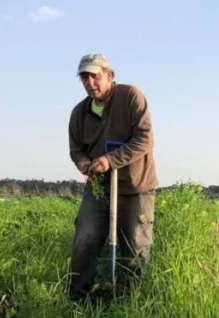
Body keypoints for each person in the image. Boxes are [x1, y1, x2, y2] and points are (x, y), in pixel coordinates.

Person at [66, 53, 158, 303]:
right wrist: (83, 162)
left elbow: (144, 139)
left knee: (135, 250)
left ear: (109, 75)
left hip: (136, 187)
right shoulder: (79, 113)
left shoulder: (130, 97)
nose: (90, 82)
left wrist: (109, 160)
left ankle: (131, 303)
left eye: (95, 76)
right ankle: (77, 301)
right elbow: (76, 149)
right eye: (84, 78)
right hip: (99, 189)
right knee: (84, 240)